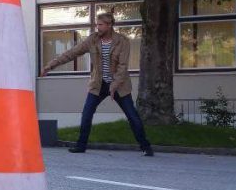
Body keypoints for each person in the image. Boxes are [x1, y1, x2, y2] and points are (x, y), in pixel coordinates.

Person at [40, 11, 154, 156]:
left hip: (119, 85)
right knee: (87, 113)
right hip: (98, 84)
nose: (97, 27)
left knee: (132, 115)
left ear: (109, 25)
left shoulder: (122, 41)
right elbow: (72, 53)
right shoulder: (93, 40)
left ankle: (145, 146)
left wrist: (114, 85)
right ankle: (81, 146)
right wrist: (50, 66)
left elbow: (123, 66)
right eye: (97, 24)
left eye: (100, 25)